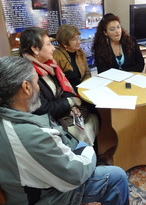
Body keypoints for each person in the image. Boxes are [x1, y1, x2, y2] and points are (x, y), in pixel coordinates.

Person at [0, 56, 129, 205]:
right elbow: (76, 174)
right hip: (46, 197)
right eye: (36, 82)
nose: (39, 88)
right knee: (117, 175)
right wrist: (88, 149)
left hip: (25, 187)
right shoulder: (31, 136)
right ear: (26, 87)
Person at [19, 27, 99, 146]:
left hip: (61, 111)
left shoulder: (48, 65)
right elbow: (43, 109)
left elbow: (62, 88)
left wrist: (71, 106)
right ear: (35, 49)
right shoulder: (28, 75)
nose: (53, 48)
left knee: (94, 111)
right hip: (50, 123)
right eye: (48, 44)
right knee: (91, 116)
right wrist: (70, 102)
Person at [53, 24, 91, 93]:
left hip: (82, 89)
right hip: (68, 93)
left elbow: (87, 72)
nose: (79, 42)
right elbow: (57, 82)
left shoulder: (80, 52)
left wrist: (84, 87)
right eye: (74, 40)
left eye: (78, 38)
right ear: (64, 43)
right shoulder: (56, 56)